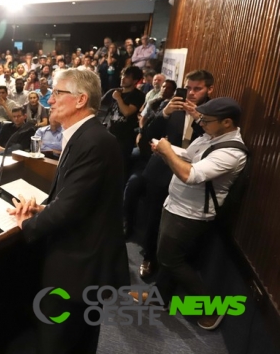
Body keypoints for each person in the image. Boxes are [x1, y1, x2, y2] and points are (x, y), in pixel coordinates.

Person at [7, 68, 129, 354]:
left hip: (80, 264)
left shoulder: (94, 141)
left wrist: (27, 225)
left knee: (60, 342)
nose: (50, 100)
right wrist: (43, 207)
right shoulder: (84, 135)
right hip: (83, 255)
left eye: (57, 93)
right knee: (77, 341)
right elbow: (78, 197)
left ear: (80, 99)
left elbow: (72, 207)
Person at [134, 98, 247, 331]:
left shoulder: (232, 152)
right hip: (176, 203)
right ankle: (159, 298)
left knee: (170, 259)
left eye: (206, 120)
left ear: (227, 122)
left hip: (190, 214)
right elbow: (189, 156)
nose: (201, 122)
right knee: (166, 256)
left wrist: (167, 151)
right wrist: (168, 150)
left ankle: (211, 309)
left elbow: (191, 175)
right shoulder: (210, 137)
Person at [136, 70, 214, 278]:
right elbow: (148, 134)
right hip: (162, 170)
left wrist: (199, 118)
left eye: (198, 89)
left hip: (191, 174)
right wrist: (164, 114)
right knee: (154, 217)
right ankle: (148, 258)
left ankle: (169, 270)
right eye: (188, 88)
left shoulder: (213, 113)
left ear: (209, 89)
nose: (191, 93)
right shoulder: (171, 105)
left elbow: (213, 139)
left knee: (175, 225)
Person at [102, 66, 145, 176]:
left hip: (124, 138)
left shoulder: (138, 95)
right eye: (122, 75)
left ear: (135, 80)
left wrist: (119, 98)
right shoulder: (115, 92)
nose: (123, 78)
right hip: (109, 134)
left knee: (119, 168)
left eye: (127, 77)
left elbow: (127, 112)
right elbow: (98, 105)